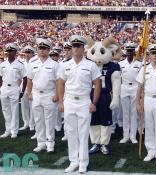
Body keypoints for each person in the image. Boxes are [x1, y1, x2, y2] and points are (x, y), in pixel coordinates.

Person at [58, 35, 101, 173]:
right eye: (74, 46)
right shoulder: (65, 65)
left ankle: (83, 163)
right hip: (69, 101)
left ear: (83, 48)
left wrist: (94, 102)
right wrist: (60, 101)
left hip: (84, 102)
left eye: (78, 46)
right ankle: (73, 162)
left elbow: (97, 84)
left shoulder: (91, 65)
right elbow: (60, 83)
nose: (75, 48)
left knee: (83, 134)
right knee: (71, 133)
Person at [27, 38, 60, 153]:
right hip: (36, 94)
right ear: (37, 49)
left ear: (48, 50)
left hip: (49, 94)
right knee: (38, 120)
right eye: (40, 48)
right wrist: (30, 93)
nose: (42, 50)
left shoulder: (55, 64)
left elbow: (58, 81)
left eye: (44, 48)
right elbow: (29, 80)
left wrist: (57, 94)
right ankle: (41, 143)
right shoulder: (33, 64)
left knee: (50, 121)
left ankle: (50, 143)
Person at [0, 43, 27, 138]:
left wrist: (22, 90)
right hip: (4, 88)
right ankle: (7, 130)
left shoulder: (20, 64)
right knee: (5, 110)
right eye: (8, 51)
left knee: (14, 110)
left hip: (14, 88)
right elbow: (0, 77)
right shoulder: (2, 64)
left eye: (11, 51)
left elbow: (25, 78)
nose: (9, 53)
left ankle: (14, 131)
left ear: (15, 52)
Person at [119, 42, 142, 144]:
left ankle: (133, 136)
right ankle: (125, 136)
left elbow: (141, 79)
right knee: (125, 113)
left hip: (135, 87)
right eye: (128, 51)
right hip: (124, 87)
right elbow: (118, 78)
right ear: (125, 52)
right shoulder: (120, 64)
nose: (129, 53)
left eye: (131, 51)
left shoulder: (139, 64)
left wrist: (141, 93)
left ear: (134, 52)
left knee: (134, 113)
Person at [20, 46, 36, 133]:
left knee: (32, 106)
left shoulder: (35, 62)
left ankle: (32, 124)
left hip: (32, 87)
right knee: (24, 106)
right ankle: (26, 123)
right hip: (23, 87)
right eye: (26, 53)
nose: (27, 55)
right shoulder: (21, 63)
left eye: (29, 53)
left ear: (32, 54)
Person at [59, 41, 72, 141]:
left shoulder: (75, 62)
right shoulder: (61, 63)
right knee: (66, 115)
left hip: (72, 91)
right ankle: (66, 133)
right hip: (64, 91)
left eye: (69, 49)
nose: (67, 52)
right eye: (65, 50)